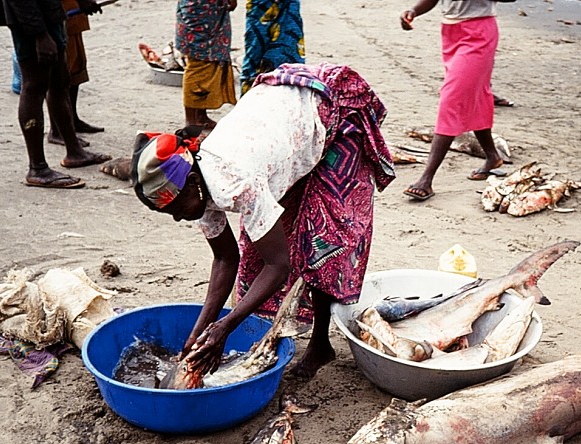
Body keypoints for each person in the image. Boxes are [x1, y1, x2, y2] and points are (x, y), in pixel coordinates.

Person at [131, 63, 395, 379]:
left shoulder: (235, 181)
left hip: (327, 113)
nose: (176, 217)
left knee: (323, 240)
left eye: (174, 207)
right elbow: (225, 259)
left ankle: (320, 345)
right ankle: (283, 334)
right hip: (280, 128)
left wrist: (225, 327)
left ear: (190, 181)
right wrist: (199, 332)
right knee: (260, 249)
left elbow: (278, 265)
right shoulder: (197, 186)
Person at [0, 0, 111, 188]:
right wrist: (39, 34)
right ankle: (37, 168)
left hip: (49, 12)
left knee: (60, 81)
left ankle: (74, 152)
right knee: (34, 86)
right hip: (29, 18)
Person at [400, 0, 505, 201]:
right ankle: (492, 156)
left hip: (479, 32)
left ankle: (426, 179)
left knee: (451, 99)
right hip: (451, 32)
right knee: (476, 96)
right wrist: (414, 10)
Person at [47, 0, 105, 146]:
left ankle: (72, 120)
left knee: (75, 69)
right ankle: (56, 129)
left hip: (73, 12)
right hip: (60, 9)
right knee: (60, 75)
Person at [175, 0, 238, 129]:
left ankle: (200, 115)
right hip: (200, 12)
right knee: (197, 64)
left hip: (209, 11)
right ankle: (191, 119)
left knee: (207, 62)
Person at [240, 0, 305, 96]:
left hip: (288, 6)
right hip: (261, 6)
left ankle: (287, 99)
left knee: (288, 54)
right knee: (256, 54)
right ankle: (250, 98)